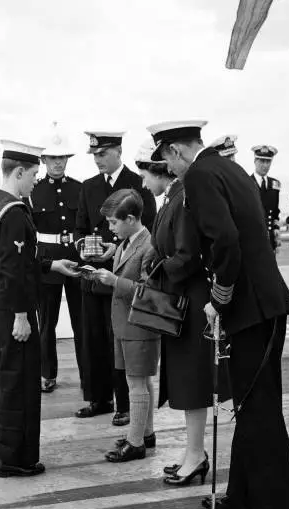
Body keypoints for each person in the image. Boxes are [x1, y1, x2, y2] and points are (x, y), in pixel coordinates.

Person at [148, 119, 289, 509]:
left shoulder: (199, 175)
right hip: (264, 303)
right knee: (248, 404)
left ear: (176, 152)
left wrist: (218, 300)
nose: (168, 168)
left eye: (166, 159)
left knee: (260, 410)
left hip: (251, 307)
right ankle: (243, 495)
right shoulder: (227, 167)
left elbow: (226, 242)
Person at [0, 139, 80, 478]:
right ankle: (14, 459)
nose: (36, 180)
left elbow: (19, 260)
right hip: (14, 308)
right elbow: (15, 270)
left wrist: (53, 266)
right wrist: (23, 316)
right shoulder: (16, 212)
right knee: (19, 381)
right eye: (34, 173)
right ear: (19, 172)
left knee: (2, 377)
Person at [135, 140, 222, 485]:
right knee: (186, 381)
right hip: (180, 297)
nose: (143, 184)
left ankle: (197, 455)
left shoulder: (182, 197)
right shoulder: (171, 197)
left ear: (161, 168)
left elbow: (187, 255)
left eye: (144, 175)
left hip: (190, 299)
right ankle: (192, 452)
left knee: (193, 381)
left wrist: (156, 270)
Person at [75, 130, 157, 427]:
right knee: (95, 339)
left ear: (117, 152)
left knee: (123, 343)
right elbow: (81, 226)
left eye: (102, 154)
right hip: (97, 276)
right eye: (94, 155)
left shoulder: (139, 183)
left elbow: (146, 230)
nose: (98, 160)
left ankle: (126, 405)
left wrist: (116, 249)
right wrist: (86, 248)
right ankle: (98, 398)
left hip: (126, 276)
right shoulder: (88, 187)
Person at [92, 189, 159, 462]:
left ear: (130, 218)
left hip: (139, 326)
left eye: (113, 222)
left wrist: (113, 281)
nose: (110, 228)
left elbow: (148, 291)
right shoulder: (127, 242)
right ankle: (146, 432)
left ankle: (136, 443)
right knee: (141, 379)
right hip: (126, 324)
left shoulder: (148, 246)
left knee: (136, 383)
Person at [29, 124, 83, 393]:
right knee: (46, 323)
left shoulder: (79, 189)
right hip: (48, 261)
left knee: (82, 322)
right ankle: (46, 374)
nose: (58, 163)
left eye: (62, 158)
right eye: (53, 158)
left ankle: (88, 375)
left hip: (75, 259)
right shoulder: (33, 192)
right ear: (44, 160)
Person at [251, 145, 281, 254]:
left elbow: (275, 211)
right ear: (255, 161)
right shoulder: (246, 182)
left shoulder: (275, 184)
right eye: (262, 161)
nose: (265, 165)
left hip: (270, 239)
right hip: (253, 237)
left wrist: (276, 228)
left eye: (268, 162)